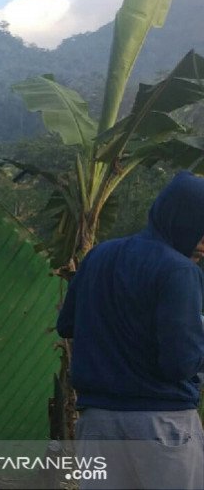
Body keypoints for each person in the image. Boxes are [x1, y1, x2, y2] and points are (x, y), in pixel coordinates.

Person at [57, 171, 204, 490]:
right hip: (161, 426)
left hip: (97, 424)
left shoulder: (99, 255)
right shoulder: (179, 270)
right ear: (184, 220)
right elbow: (180, 363)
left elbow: (66, 325)